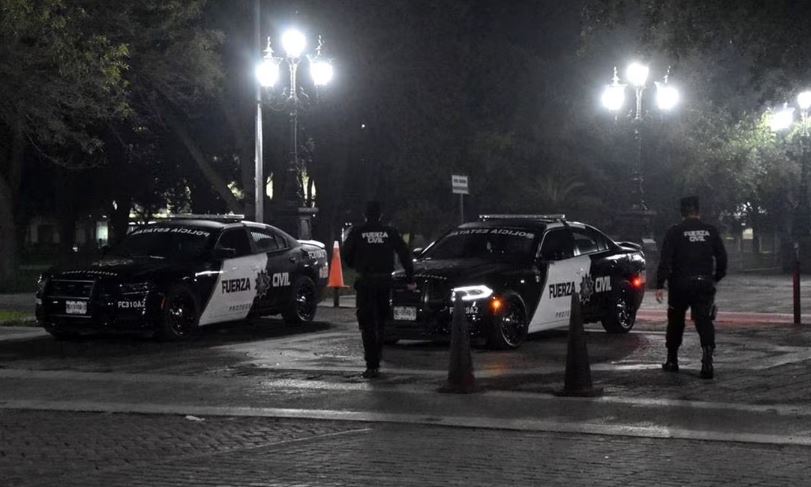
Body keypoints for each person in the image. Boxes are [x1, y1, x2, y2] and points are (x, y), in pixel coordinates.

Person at [655, 196, 727, 379]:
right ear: (698, 211)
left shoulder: (675, 231)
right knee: (704, 320)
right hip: (703, 282)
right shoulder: (710, 231)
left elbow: (665, 259)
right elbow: (722, 258)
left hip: (680, 284)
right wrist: (715, 278)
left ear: (682, 212)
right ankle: (707, 358)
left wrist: (660, 284)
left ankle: (672, 359)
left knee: (675, 321)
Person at [342, 201, 416, 379]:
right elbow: (404, 253)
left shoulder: (357, 232)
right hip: (384, 280)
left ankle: (371, 364)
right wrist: (410, 277)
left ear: (365, 215)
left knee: (366, 324)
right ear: (380, 215)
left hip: (366, 280)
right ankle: (378, 354)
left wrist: (356, 265)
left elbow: (346, 254)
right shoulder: (390, 232)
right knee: (381, 321)